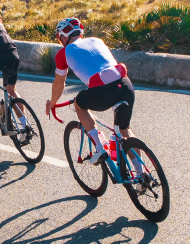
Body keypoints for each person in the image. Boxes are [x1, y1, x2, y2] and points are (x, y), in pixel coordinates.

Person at [45, 17, 134, 164]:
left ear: (63, 37)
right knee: (124, 130)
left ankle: (100, 148)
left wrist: (52, 103)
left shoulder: (63, 53)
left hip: (102, 90)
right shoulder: (96, 40)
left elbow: (59, 84)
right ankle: (141, 172)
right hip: (125, 84)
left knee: (79, 104)